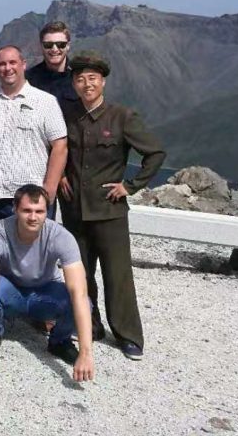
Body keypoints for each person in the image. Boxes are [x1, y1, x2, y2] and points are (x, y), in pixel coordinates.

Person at [61, 51, 166, 360]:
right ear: (74, 84)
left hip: (109, 210)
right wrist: (60, 175)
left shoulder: (122, 116)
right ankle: (90, 325)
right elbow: (55, 148)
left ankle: (128, 335)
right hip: (74, 209)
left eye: (92, 78)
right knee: (80, 273)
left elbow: (155, 153)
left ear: (103, 82)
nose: (87, 84)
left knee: (117, 275)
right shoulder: (67, 116)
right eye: (80, 79)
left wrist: (130, 186)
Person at [0, 184, 95, 382]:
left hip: (45, 291)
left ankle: (60, 341)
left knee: (84, 301)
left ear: (47, 212)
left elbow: (79, 292)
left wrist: (86, 353)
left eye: (39, 211)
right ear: (15, 209)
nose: (33, 217)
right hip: (10, 290)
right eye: (27, 210)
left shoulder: (61, 237)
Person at [0, 45, 67, 234]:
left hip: (34, 199)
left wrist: (50, 188)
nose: (8, 68)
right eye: (2, 64)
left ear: (23, 64)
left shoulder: (45, 102)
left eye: (12, 62)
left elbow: (60, 145)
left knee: (34, 252)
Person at [25, 21, 79, 109]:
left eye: (60, 44)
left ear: (68, 46)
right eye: (48, 45)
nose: (54, 49)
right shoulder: (27, 80)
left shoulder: (79, 77)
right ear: (41, 46)